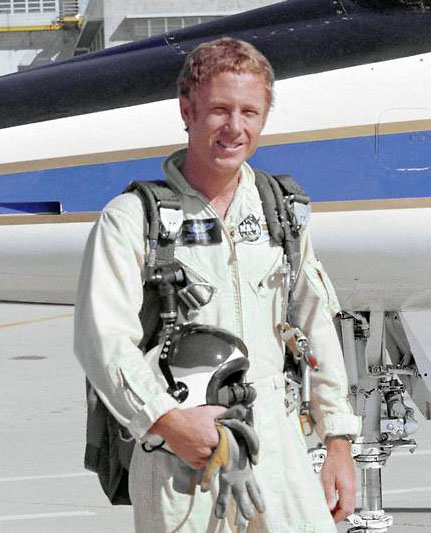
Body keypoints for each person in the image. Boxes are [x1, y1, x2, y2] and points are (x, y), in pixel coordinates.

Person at [74, 38, 361, 533]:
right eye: (219, 110)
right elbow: (102, 342)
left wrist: (338, 439)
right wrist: (168, 423)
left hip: (277, 438)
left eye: (250, 111)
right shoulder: (133, 220)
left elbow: (317, 325)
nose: (235, 127)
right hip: (180, 447)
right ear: (186, 110)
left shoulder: (282, 214)